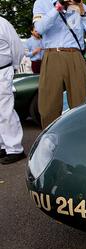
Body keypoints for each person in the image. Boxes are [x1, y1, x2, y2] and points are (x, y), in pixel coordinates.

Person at [33, 0, 86, 129]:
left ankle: (79, 140)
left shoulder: (81, 6)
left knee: (79, 104)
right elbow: (39, 28)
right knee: (48, 106)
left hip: (75, 56)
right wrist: (58, 6)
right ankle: (50, 142)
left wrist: (82, 11)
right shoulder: (42, 3)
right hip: (52, 54)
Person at [0, 17, 26, 165]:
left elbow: (17, 48)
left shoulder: (2, 23)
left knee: (5, 111)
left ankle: (15, 149)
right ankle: (4, 145)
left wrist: (13, 67)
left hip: (2, 71)